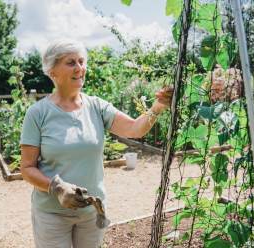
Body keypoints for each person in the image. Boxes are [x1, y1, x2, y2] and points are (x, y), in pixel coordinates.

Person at [20, 39, 173, 248]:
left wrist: (157, 107)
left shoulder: (96, 107)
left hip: (92, 211)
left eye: (82, 62)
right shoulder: (38, 113)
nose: (79, 68)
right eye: (71, 62)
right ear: (52, 71)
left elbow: (135, 129)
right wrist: (57, 188)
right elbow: (27, 168)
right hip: (52, 213)